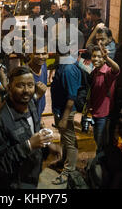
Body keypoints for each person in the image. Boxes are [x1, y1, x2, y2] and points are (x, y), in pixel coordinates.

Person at [0, 66, 61, 189]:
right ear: (9, 88)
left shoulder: (30, 104)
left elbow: (33, 131)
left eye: (30, 85)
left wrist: (48, 145)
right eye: (20, 85)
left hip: (31, 177)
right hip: (12, 184)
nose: (26, 90)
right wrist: (28, 145)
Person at [50, 45, 82, 185]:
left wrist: (64, 118)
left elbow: (71, 97)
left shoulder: (68, 69)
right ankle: (64, 161)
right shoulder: (64, 64)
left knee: (70, 141)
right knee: (65, 137)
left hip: (65, 111)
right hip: (60, 109)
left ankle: (69, 171)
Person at [88, 45, 120, 160]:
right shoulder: (95, 71)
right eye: (94, 56)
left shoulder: (107, 72)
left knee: (101, 143)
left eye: (99, 57)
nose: (95, 59)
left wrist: (108, 59)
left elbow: (117, 69)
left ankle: (100, 167)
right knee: (98, 140)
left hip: (103, 114)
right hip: (95, 112)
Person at [26, 43, 49, 120]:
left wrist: (40, 117)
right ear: (30, 54)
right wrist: (37, 95)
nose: (41, 57)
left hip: (38, 114)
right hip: (28, 117)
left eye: (44, 53)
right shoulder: (25, 74)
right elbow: (20, 103)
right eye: (36, 53)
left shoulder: (43, 66)